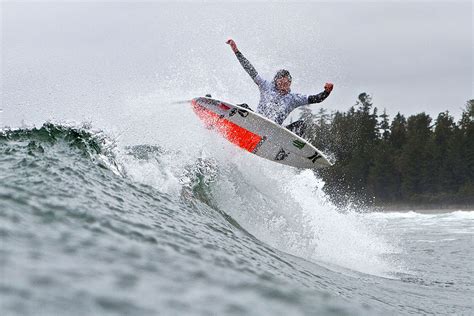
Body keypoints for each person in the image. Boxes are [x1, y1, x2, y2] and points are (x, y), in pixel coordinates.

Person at [226, 39, 333, 136]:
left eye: (287, 84)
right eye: (281, 83)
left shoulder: (294, 98)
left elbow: (316, 99)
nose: (284, 87)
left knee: (301, 124)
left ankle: (288, 149)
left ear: (290, 83)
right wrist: (236, 51)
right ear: (276, 82)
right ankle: (223, 123)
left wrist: (326, 92)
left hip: (274, 133)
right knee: (242, 107)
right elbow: (250, 69)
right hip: (255, 123)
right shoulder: (265, 86)